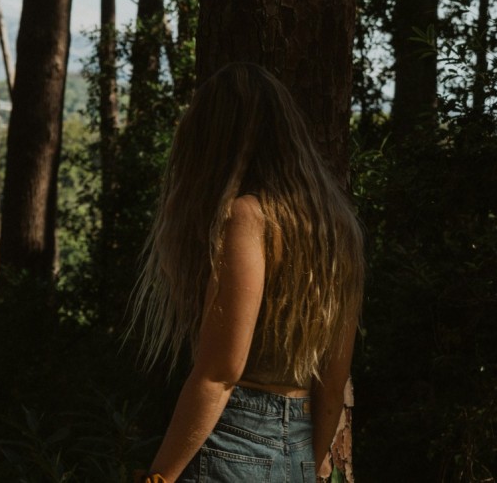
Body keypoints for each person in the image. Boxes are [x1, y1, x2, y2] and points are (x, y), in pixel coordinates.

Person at [128, 62, 364, 483]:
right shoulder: (338, 229)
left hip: (234, 442)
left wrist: (158, 478)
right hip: (301, 450)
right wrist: (309, 464)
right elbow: (333, 379)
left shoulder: (247, 218)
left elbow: (221, 373)